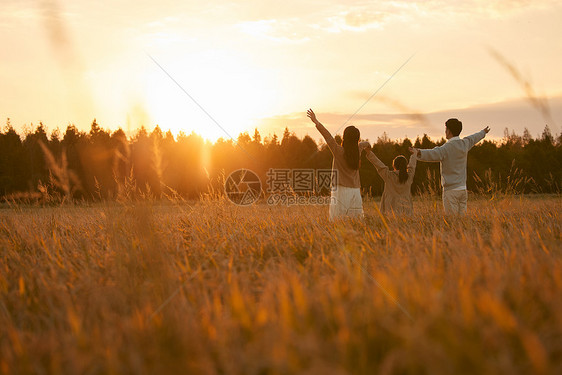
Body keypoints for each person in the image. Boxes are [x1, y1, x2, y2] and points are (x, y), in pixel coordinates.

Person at [410, 118, 490, 215]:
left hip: (451, 191)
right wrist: (483, 132)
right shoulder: (465, 143)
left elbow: (433, 153)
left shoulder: (446, 148)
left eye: (446, 129)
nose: (445, 132)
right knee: (463, 222)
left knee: (452, 222)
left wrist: (418, 152)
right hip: (463, 190)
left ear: (449, 131)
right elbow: (474, 137)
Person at [307, 109, 367, 220]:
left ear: (344, 137)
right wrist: (368, 147)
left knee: (338, 220)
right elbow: (364, 144)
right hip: (355, 191)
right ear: (357, 139)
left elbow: (328, 137)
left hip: (340, 190)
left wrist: (316, 122)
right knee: (356, 220)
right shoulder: (358, 151)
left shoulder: (338, 151)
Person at [362, 142, 417, 214]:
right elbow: (412, 166)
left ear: (394, 166)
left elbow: (379, 165)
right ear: (406, 166)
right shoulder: (409, 176)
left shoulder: (388, 176)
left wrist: (369, 152)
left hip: (390, 208)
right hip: (406, 208)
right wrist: (414, 154)